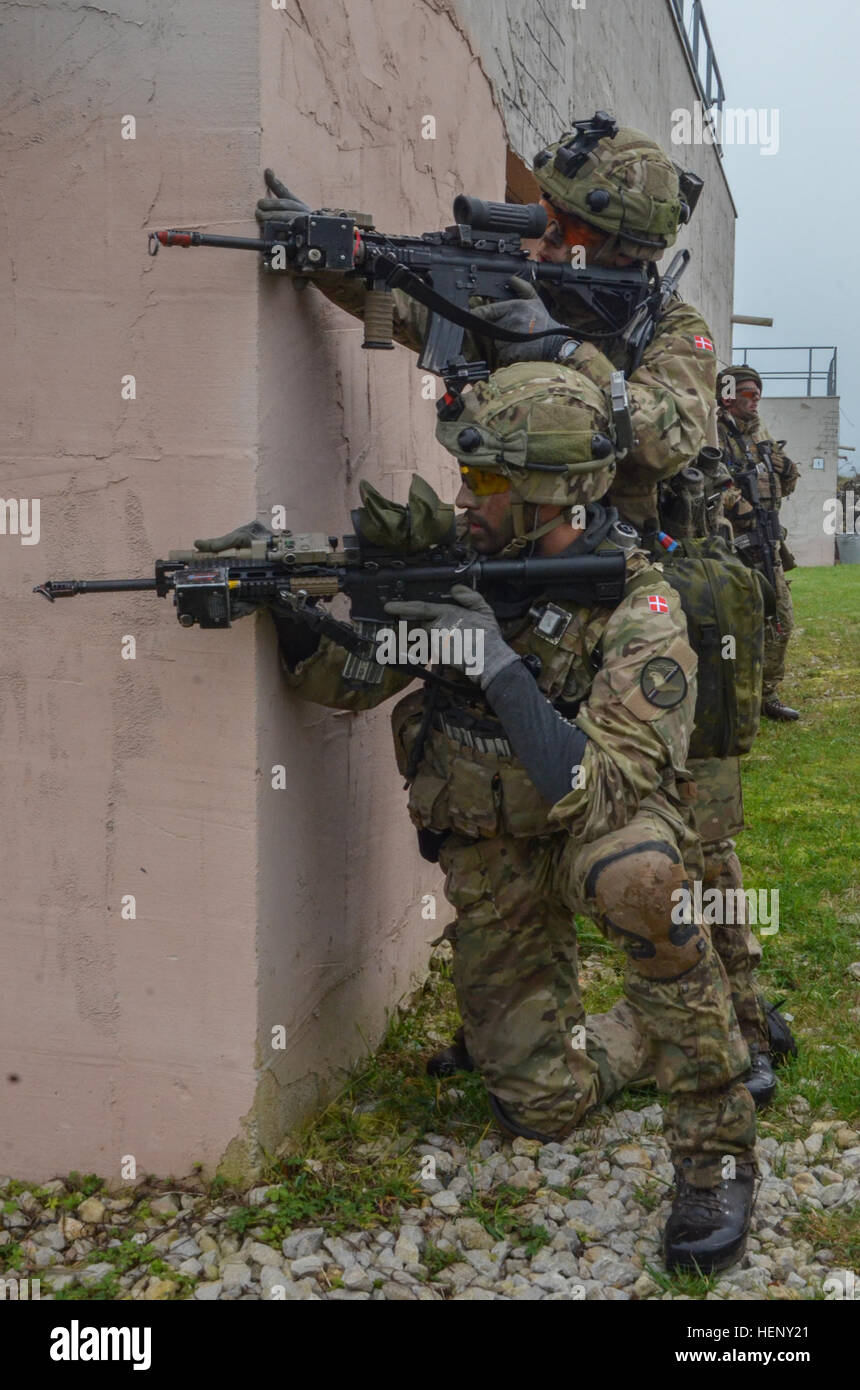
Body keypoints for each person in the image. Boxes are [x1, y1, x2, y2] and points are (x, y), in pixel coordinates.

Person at [255, 116, 785, 1106]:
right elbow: (409, 302)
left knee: (692, 834)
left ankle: (740, 1026)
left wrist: (555, 345)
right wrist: (333, 250)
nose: (538, 241)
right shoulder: (520, 284)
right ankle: (512, 1017)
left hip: (652, 586)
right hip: (529, 575)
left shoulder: (672, 328)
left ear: (606, 244)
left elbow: (666, 436)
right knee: (497, 802)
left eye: (558, 227)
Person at [198, 363, 757, 1273]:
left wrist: (494, 659)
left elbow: (604, 784)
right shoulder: (470, 563)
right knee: (537, 1106)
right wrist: (288, 604)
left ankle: (717, 1149)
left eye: (487, 483)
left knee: (644, 881)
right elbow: (352, 681)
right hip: (493, 844)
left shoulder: (642, 610)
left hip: (595, 828)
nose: (463, 497)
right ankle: (651, 1032)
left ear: (555, 499)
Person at [716, 366, 801, 722]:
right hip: (729, 547)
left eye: (758, 395)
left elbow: (785, 487)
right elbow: (707, 477)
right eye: (748, 394)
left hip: (767, 541)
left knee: (780, 618)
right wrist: (737, 504)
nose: (755, 401)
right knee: (733, 623)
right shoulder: (714, 432)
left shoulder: (760, 437)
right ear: (728, 396)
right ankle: (730, 697)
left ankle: (767, 693)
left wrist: (786, 470)